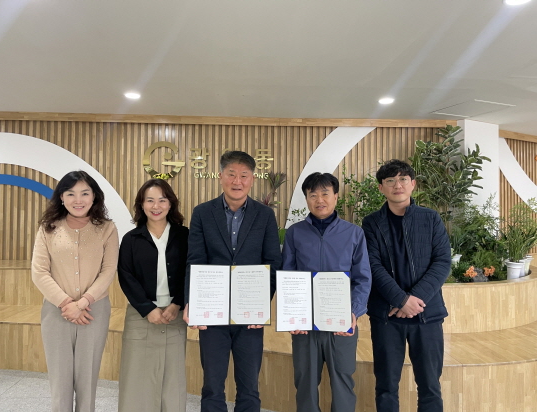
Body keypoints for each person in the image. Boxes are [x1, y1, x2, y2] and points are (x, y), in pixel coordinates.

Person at [184, 150, 282, 412]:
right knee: (212, 385)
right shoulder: (203, 213)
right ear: (220, 176)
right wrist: (192, 302)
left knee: (249, 387)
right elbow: (195, 260)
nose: (237, 181)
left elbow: (273, 262)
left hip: (250, 313)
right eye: (231, 174)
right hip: (212, 311)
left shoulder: (265, 215)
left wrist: (261, 304)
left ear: (252, 179)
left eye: (244, 175)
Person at [361, 159, 451, 412]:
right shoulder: (371, 223)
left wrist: (414, 300)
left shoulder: (430, 218)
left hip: (426, 314)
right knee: (386, 386)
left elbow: (442, 262)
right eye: (390, 181)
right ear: (381, 187)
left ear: (413, 184)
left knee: (430, 385)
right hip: (387, 316)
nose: (397, 185)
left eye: (402, 179)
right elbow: (372, 266)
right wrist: (401, 300)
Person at [282, 172, 372, 412]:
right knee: (305, 382)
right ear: (306, 199)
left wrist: (353, 312)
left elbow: (363, 278)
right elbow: (288, 275)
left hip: (341, 321)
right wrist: (292, 314)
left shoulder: (354, 233)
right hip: (305, 324)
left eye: (325, 193)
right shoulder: (295, 233)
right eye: (313, 195)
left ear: (336, 196)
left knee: (343, 379)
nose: (319, 200)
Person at [31, 170, 119, 412]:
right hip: (56, 312)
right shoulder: (48, 228)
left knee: (87, 378)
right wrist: (66, 303)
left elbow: (108, 270)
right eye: (70, 193)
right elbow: (39, 272)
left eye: (84, 193)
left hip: (94, 311)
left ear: (94, 197)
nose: (78, 200)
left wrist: (82, 303)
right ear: (61, 197)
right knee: (59, 379)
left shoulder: (107, 228)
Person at [117, 178, 189, 412]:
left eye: (162, 200)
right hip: (141, 317)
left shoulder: (185, 236)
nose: (156, 206)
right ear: (141, 204)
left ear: (171, 204)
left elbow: (191, 271)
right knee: (136, 381)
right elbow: (126, 276)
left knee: (172, 382)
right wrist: (147, 308)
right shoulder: (131, 239)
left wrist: (177, 303)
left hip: (174, 316)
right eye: (150, 200)